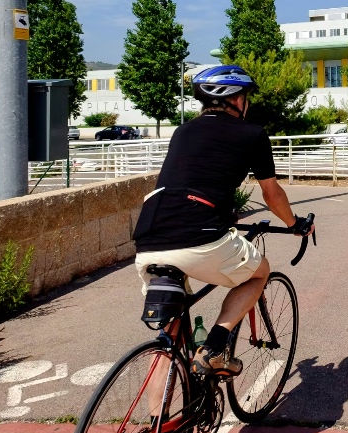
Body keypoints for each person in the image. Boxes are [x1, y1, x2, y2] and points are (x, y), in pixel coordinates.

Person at [132, 65, 314, 376]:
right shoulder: (252, 135)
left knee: (170, 334)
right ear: (236, 99)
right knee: (259, 274)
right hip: (201, 238)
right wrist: (294, 224)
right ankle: (215, 348)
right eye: (245, 97)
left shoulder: (182, 131)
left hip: (150, 239)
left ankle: (158, 423)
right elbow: (271, 193)